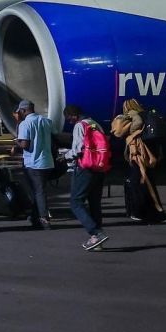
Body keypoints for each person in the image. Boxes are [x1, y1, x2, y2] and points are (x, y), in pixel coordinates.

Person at [111, 99, 166, 224]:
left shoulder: (134, 115)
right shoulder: (147, 115)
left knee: (138, 182)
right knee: (147, 182)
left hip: (139, 154)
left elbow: (122, 131)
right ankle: (156, 213)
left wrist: (130, 126)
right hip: (149, 153)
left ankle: (143, 213)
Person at [63, 105, 109, 251]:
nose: (69, 122)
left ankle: (96, 233)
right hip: (99, 168)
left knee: (76, 202)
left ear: (73, 115)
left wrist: (65, 156)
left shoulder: (80, 125)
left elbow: (78, 149)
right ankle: (97, 240)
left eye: (69, 118)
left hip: (85, 168)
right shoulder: (95, 124)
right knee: (95, 203)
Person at [14, 99, 58, 229]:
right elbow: (55, 135)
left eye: (20, 111)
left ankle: (44, 218)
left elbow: (25, 145)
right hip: (47, 161)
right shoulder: (46, 121)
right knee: (38, 190)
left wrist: (16, 142)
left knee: (38, 192)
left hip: (33, 163)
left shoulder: (25, 124)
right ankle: (35, 217)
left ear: (24, 110)